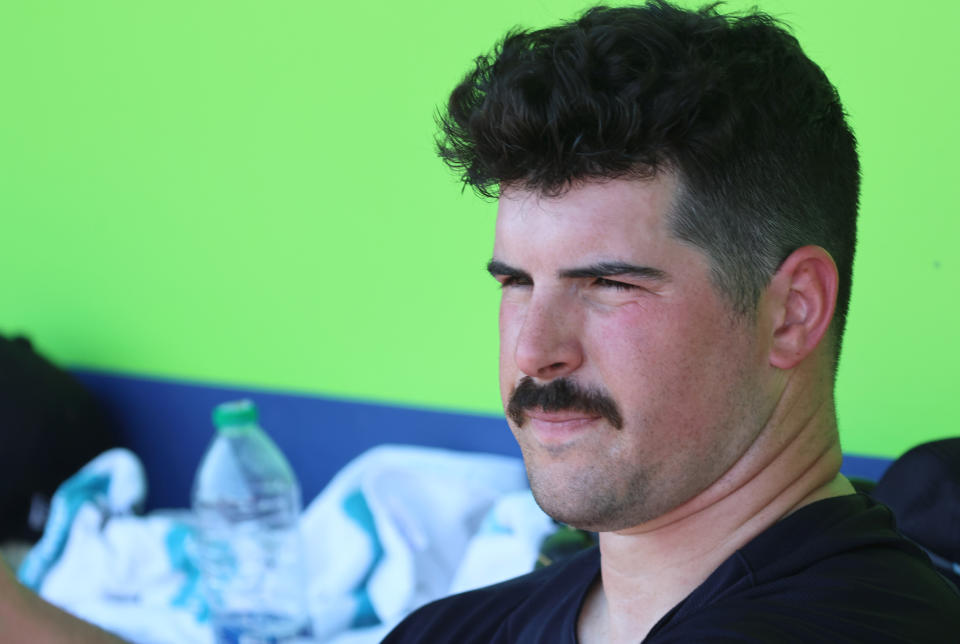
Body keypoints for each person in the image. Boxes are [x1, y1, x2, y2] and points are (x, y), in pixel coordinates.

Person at [383, 2, 960, 642]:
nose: (532, 350)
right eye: (516, 282)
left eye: (608, 283)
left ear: (793, 312)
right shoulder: (446, 631)